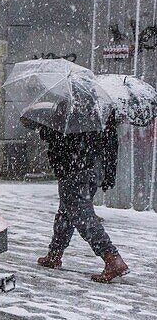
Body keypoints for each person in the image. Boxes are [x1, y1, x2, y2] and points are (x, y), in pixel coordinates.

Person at [34, 113, 129, 283]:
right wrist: (108, 174)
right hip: (90, 168)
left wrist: (43, 127)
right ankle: (55, 254)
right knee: (67, 212)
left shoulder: (72, 108)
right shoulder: (102, 110)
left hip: (74, 169)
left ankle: (111, 257)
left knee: (82, 216)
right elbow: (111, 142)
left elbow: (57, 137)